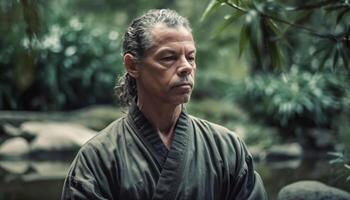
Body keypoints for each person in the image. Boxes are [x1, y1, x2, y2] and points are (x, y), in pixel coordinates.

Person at [61, 9, 267, 200]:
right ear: (132, 65)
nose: (186, 67)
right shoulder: (98, 159)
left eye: (191, 57)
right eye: (169, 58)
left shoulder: (227, 148)